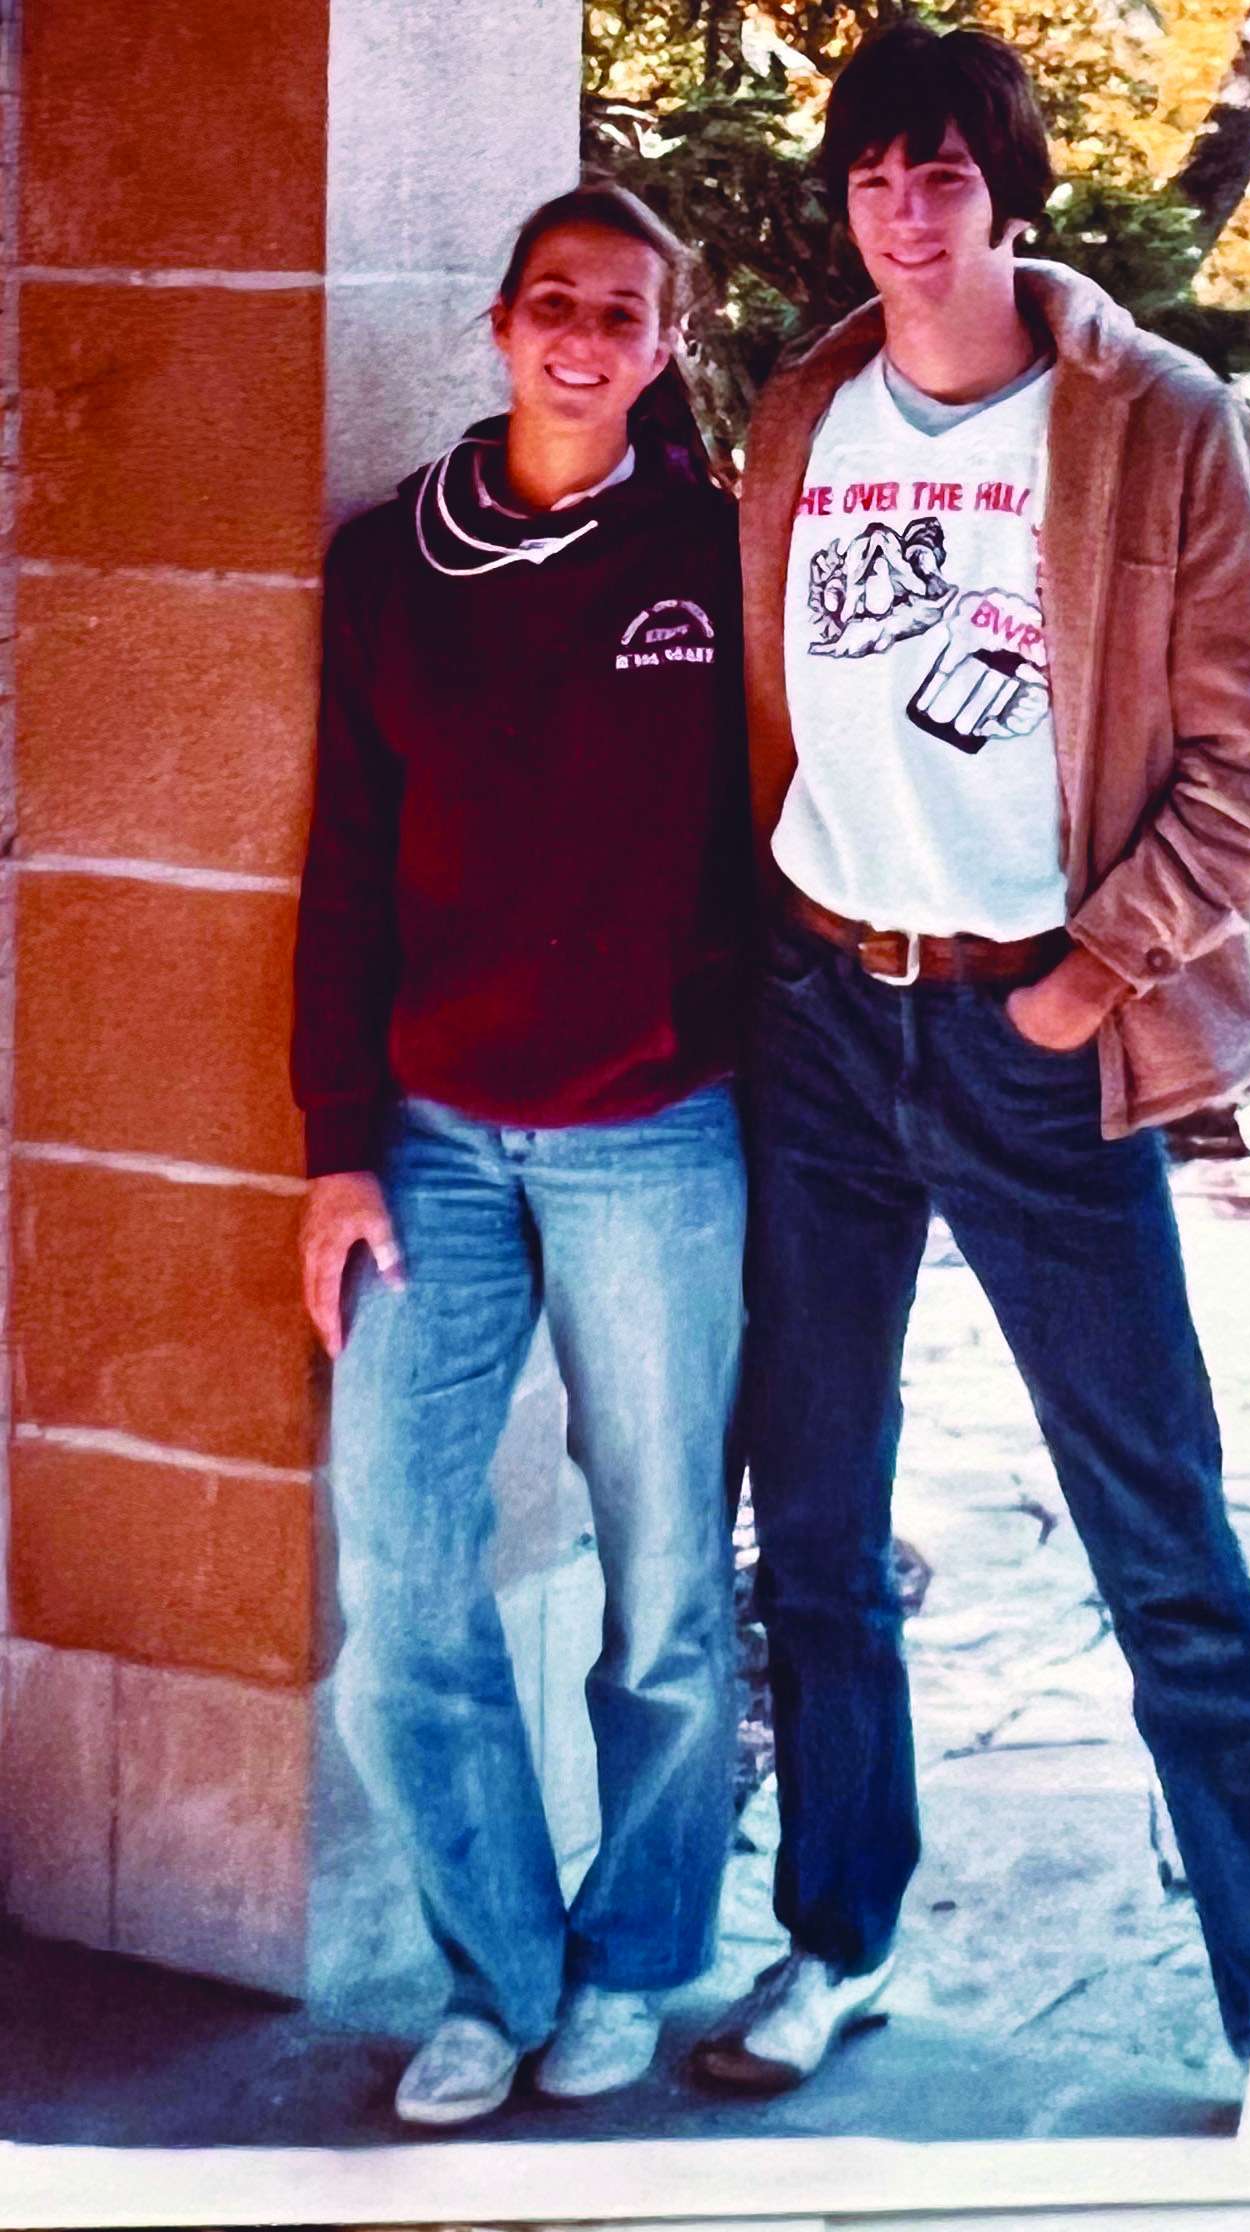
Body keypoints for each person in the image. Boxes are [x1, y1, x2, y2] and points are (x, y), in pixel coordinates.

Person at [690, 22, 1250, 2198]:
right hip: (821, 1025)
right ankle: (840, 1936)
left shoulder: (1150, 421)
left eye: (944, 173)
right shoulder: (803, 404)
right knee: (814, 1524)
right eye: (876, 175)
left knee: (1158, 1534)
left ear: (1005, 193)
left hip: (1028, 1036)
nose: (909, 209)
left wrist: (1090, 975)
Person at [292, 183, 749, 2124]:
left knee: (663, 1596)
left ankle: (636, 1959)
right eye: (555, 301)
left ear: (662, 351)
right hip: (435, 1147)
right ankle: (496, 1966)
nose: (585, 335)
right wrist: (335, 1147)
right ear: (499, 325)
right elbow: (346, 869)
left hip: (656, 1138)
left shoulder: (716, 552)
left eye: (625, 314)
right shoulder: (389, 558)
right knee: (396, 1588)